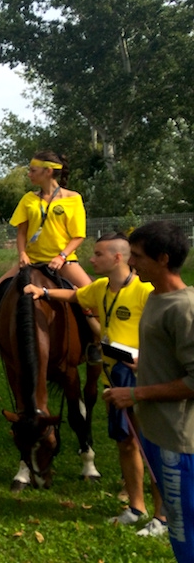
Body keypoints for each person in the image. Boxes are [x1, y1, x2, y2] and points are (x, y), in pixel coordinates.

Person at [24, 233, 165, 535]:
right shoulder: (100, 288)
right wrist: (43, 293)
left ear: (117, 258)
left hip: (143, 381)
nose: (91, 259)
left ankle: (162, 516)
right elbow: (75, 296)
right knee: (126, 444)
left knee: (151, 447)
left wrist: (148, 359)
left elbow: (167, 332)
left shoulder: (145, 292)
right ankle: (136, 507)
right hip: (113, 380)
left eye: (98, 254)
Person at [105, 221, 194, 563]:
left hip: (178, 441)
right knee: (179, 528)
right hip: (156, 433)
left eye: (138, 256)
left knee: (184, 528)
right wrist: (144, 365)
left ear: (163, 258)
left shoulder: (183, 308)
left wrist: (136, 395)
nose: (131, 263)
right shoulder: (155, 298)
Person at [0, 151, 95, 358]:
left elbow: (78, 236)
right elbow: (22, 232)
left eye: (33, 171)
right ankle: (0, 341)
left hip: (64, 262)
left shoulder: (73, 199)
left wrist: (62, 256)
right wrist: (22, 254)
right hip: (32, 261)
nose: (29, 174)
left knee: (94, 295)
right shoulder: (28, 199)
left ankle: (95, 343)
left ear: (48, 171)